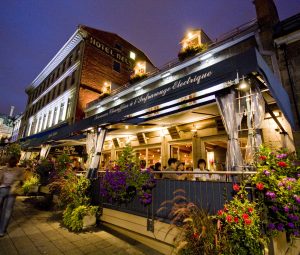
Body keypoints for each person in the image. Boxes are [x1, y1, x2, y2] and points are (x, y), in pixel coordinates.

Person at [0, 156, 24, 237]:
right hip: (12, 191)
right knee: (7, 211)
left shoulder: (4, 169)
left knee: (5, 211)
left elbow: (0, 180)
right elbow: (21, 182)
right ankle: (2, 231)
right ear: (16, 162)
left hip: (3, 190)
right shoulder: (19, 170)